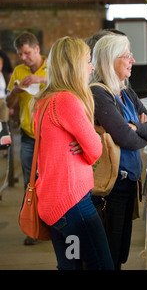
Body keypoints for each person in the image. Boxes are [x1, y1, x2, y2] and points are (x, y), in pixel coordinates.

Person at [30, 37, 114, 269]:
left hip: (52, 205)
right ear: (74, 65)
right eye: (88, 61)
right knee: (102, 265)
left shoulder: (44, 101)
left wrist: (82, 142)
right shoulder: (66, 100)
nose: (92, 67)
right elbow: (96, 150)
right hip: (73, 204)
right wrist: (90, 140)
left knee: (71, 266)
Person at [90, 34, 147, 270]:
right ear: (110, 60)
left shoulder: (126, 92)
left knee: (121, 252)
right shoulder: (99, 93)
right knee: (109, 254)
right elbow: (123, 138)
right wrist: (137, 133)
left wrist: (136, 128)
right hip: (111, 187)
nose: (132, 60)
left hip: (129, 181)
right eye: (127, 56)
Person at [6, 32, 47, 245]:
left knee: (49, 182)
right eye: (20, 54)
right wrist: (15, 90)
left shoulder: (51, 67)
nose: (23, 57)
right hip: (28, 137)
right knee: (29, 183)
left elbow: (66, 84)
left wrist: (41, 79)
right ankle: (32, 229)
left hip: (51, 137)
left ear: (37, 49)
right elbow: (10, 104)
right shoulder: (19, 71)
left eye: (27, 53)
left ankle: (53, 227)